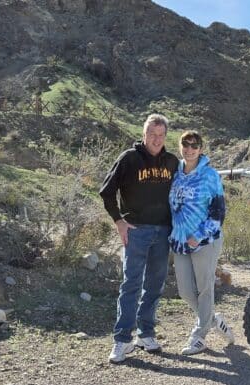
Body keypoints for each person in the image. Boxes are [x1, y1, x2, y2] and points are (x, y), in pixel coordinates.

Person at [99, 114, 179, 363]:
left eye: (161, 135)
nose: (156, 139)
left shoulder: (172, 162)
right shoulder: (129, 159)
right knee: (131, 284)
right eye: (152, 135)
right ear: (144, 135)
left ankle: (145, 334)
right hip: (137, 231)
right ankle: (122, 340)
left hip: (163, 231)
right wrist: (119, 221)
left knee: (154, 285)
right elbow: (107, 191)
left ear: (165, 136)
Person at [168, 131, 234, 355]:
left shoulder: (210, 175)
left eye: (194, 145)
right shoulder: (175, 173)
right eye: (185, 144)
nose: (189, 149)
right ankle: (213, 320)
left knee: (205, 289)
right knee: (186, 291)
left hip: (205, 241)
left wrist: (200, 235)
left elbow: (218, 212)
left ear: (201, 148)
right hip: (180, 241)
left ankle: (199, 336)